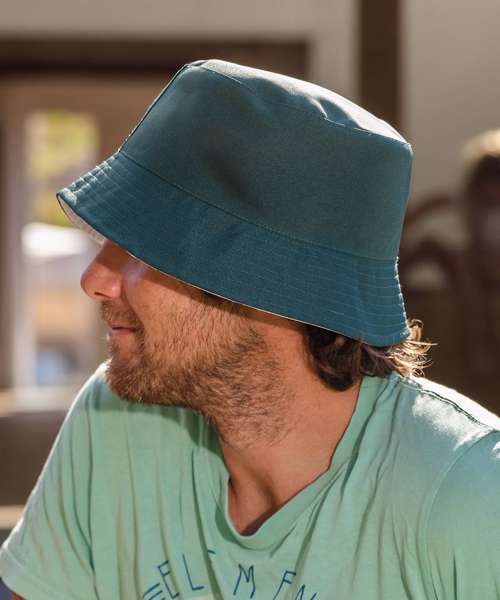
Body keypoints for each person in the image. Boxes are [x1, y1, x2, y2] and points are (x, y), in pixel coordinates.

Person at [1, 58, 499, 600]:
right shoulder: (112, 420)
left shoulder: (468, 494)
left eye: (143, 249)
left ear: (271, 290)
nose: (94, 280)